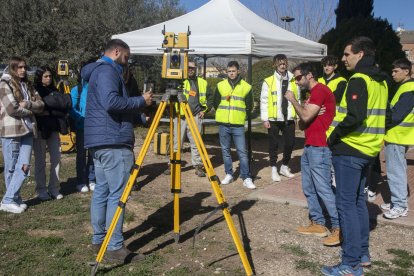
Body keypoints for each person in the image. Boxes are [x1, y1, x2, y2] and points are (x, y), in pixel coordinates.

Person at [81, 39, 152, 262]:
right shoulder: (107, 71)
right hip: (112, 141)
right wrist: (141, 100)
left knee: (103, 190)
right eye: (126, 58)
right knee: (117, 195)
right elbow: (112, 102)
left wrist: (139, 116)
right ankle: (114, 247)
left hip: (100, 140)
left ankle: (100, 239)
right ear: (117, 51)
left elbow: (110, 105)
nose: (126, 62)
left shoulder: (98, 71)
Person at [322, 37, 388, 276]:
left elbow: (355, 116)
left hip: (350, 150)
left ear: (360, 54)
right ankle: (361, 254)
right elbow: (386, 116)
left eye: (347, 54)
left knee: (346, 205)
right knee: (358, 202)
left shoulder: (359, 79)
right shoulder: (380, 81)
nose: (343, 58)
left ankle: (350, 264)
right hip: (368, 150)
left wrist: (334, 136)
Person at [285, 63, 340, 246]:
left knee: (323, 187)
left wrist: (294, 101)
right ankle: (318, 223)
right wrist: (306, 111)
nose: (296, 81)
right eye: (295, 79)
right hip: (310, 146)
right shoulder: (310, 96)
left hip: (320, 147)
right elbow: (303, 124)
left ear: (309, 75)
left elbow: (306, 117)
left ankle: (339, 227)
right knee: (308, 187)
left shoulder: (320, 91)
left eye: (298, 77)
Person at [0, 57, 44, 213]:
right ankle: (9, 199)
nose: (23, 70)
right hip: (11, 130)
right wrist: (30, 111)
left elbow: (41, 104)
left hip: (27, 129)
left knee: (24, 165)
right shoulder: (4, 84)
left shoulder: (28, 85)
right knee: (11, 167)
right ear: (12, 68)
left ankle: (13, 197)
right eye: (19, 67)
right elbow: (12, 108)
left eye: (24, 67)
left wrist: (29, 104)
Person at [164, 60, 212, 177]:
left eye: (192, 68)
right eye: (188, 67)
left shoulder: (202, 82)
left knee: (196, 142)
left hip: (195, 116)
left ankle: (198, 166)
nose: (190, 69)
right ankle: (173, 164)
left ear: (196, 69)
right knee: (177, 142)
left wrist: (205, 110)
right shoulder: (179, 81)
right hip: (180, 116)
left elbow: (210, 97)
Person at [212, 61, 255, 189]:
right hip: (223, 124)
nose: (231, 73)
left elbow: (250, 105)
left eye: (233, 71)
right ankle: (229, 174)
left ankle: (246, 177)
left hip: (238, 125)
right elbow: (215, 103)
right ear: (226, 72)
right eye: (229, 71)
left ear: (238, 71)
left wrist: (239, 116)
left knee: (242, 152)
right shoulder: (220, 85)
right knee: (225, 151)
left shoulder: (246, 87)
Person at [380, 58, 414, 219]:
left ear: (406, 71)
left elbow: (396, 115)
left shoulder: (409, 88)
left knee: (395, 172)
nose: (392, 74)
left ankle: (400, 206)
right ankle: (396, 201)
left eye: (396, 71)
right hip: (398, 136)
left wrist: (381, 121)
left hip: (397, 136)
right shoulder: (405, 87)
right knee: (396, 170)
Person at [33, 66, 71, 200]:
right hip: (40, 129)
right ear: (40, 77)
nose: (48, 79)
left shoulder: (55, 90)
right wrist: (55, 108)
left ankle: (54, 187)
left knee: (56, 158)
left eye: (50, 76)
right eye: (45, 76)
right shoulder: (35, 90)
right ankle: (41, 189)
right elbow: (38, 109)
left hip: (54, 128)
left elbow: (66, 105)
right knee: (40, 161)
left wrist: (50, 110)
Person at [260, 54, 298, 182]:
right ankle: (273, 169)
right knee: (273, 144)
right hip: (274, 118)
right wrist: (265, 119)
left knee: (290, 143)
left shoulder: (293, 79)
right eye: (279, 63)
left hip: (289, 118)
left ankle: (284, 166)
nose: (282, 66)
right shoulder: (268, 81)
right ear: (275, 65)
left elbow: (296, 98)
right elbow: (264, 101)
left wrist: (296, 115)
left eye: (284, 63)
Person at [70, 60, 96, 193]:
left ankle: (91, 179)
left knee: (93, 155)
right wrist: (80, 119)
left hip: (95, 128)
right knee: (81, 155)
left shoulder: (97, 88)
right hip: (81, 128)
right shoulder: (77, 90)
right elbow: (71, 108)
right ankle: (80, 181)